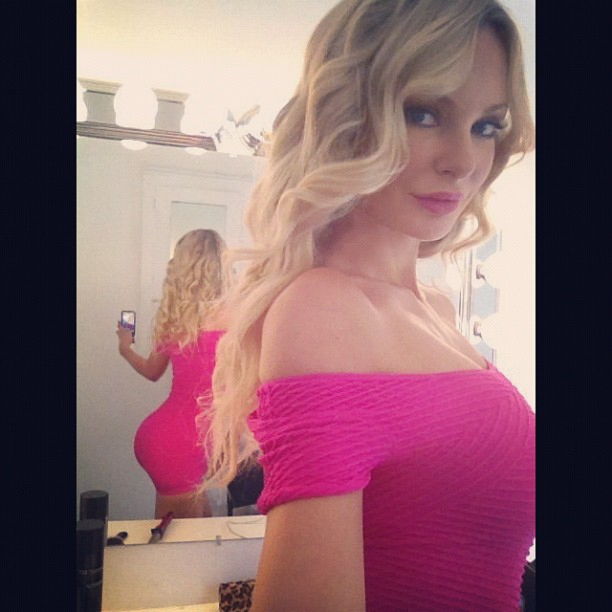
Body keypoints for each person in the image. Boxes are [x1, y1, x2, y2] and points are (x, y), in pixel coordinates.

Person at [203, 0, 535, 609]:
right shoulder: (325, 309)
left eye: (486, 125)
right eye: (423, 113)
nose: (463, 162)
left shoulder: (437, 308)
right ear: (348, 115)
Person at [117, 229, 229, 519]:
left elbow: (151, 372)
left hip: (173, 438)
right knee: (178, 539)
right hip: (180, 447)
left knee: (197, 534)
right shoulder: (238, 316)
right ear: (222, 265)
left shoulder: (177, 318)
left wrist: (125, 348)